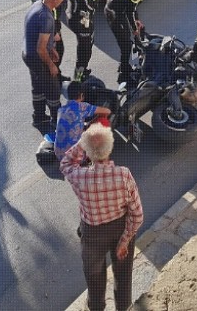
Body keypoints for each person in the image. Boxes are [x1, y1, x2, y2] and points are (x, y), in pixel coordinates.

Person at [60, 122, 144, 311]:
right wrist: (124, 240)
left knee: (95, 280)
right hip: (121, 230)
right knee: (123, 280)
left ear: (87, 152)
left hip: (92, 236)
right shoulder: (123, 175)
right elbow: (137, 215)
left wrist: (85, 141)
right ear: (110, 146)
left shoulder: (79, 177)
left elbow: (65, 163)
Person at [104, 0, 161, 84]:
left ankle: (124, 65)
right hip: (113, 13)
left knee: (138, 32)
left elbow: (132, 7)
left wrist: (137, 20)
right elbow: (130, 12)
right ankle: (123, 75)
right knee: (126, 45)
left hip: (121, 9)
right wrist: (135, 29)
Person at [23, 0, 66, 128]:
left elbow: (37, 34)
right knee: (53, 89)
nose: (62, 2)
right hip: (36, 57)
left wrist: (51, 47)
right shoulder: (47, 16)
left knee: (38, 86)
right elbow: (41, 48)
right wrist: (51, 65)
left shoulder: (36, 5)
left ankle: (39, 116)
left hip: (27, 53)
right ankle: (58, 123)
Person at [53, 81, 112, 160]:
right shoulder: (82, 107)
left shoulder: (61, 110)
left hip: (59, 155)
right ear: (81, 95)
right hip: (76, 158)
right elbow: (107, 111)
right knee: (102, 120)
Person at [31, 0, 66, 68]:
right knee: (53, 55)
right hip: (48, 29)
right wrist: (54, 32)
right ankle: (53, 79)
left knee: (59, 52)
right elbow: (41, 12)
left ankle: (57, 76)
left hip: (54, 25)